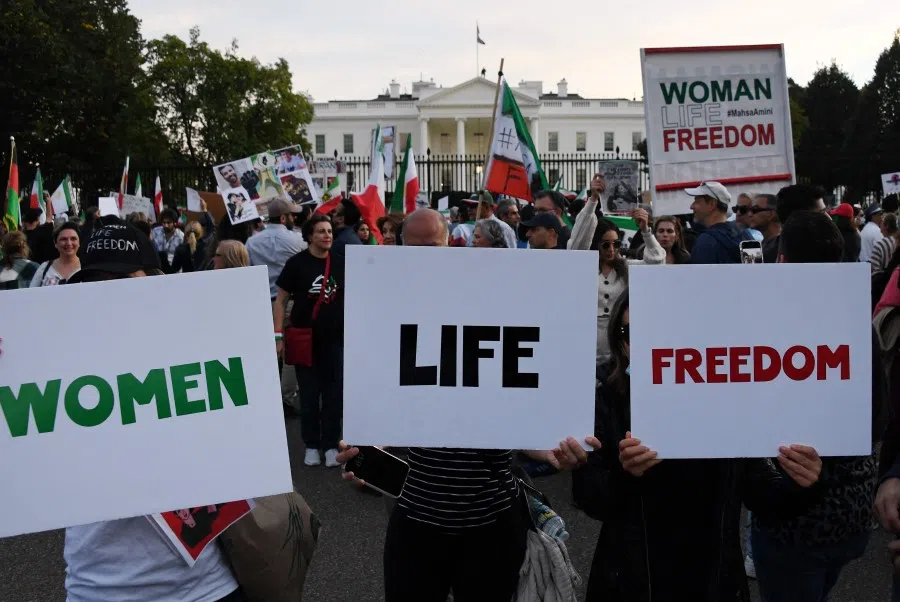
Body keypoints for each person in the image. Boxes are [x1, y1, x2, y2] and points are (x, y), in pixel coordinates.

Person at [336, 208, 591, 602]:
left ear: (449, 244)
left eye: (432, 246)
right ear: (400, 248)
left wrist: (552, 444)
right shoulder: (383, 311)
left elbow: (521, 397)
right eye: (413, 248)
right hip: (416, 515)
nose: (423, 258)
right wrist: (363, 451)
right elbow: (379, 410)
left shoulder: (494, 301)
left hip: (491, 516)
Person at [572, 290, 824, 602]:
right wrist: (625, 474)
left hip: (713, 581)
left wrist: (801, 482)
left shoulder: (725, 401)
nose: (645, 346)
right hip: (634, 582)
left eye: (660, 333)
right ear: (618, 338)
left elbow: (763, 494)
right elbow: (589, 497)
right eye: (631, 332)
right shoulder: (607, 396)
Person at [60, 216, 246, 602]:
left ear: (155, 281)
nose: (108, 293)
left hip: (204, 585)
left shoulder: (198, 350)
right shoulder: (56, 362)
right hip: (99, 587)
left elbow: (246, 445)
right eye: (96, 282)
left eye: (123, 280)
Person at [750, 210, 876, 602]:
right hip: (853, 513)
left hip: (797, 522)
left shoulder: (777, 324)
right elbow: (879, 415)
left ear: (783, 260)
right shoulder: (858, 321)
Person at [273, 215, 345, 468]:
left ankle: (331, 444)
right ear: (309, 236)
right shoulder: (296, 264)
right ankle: (312, 445)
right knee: (310, 395)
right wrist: (277, 335)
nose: (327, 235)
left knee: (334, 396)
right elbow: (280, 300)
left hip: (335, 341)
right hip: (305, 340)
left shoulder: (341, 263)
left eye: (329, 231)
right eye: (321, 231)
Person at [568, 194, 664, 363]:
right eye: (606, 244)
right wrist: (592, 201)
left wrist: (646, 231)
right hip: (586, 343)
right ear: (595, 243)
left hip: (618, 345)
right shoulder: (583, 267)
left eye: (617, 244)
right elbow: (576, 242)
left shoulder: (626, 267)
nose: (612, 249)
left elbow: (657, 263)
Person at [246, 199, 307, 300]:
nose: (293, 219)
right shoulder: (299, 240)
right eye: (291, 215)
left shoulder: (251, 242)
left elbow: (247, 270)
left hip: (263, 302)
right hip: (289, 302)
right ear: (283, 218)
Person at [684, 181, 754, 264]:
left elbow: (700, 275)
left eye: (697, 201)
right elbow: (756, 271)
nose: (691, 206)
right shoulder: (746, 235)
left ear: (712, 204)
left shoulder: (705, 241)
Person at [31, 222, 80, 287]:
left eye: (73, 239)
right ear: (55, 243)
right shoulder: (44, 268)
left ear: (79, 242)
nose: (69, 243)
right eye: (63, 239)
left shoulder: (87, 268)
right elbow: (32, 294)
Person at [748, 194, 782, 263]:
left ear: (771, 214)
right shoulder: (761, 245)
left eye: (755, 209)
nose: (749, 214)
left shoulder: (782, 245)